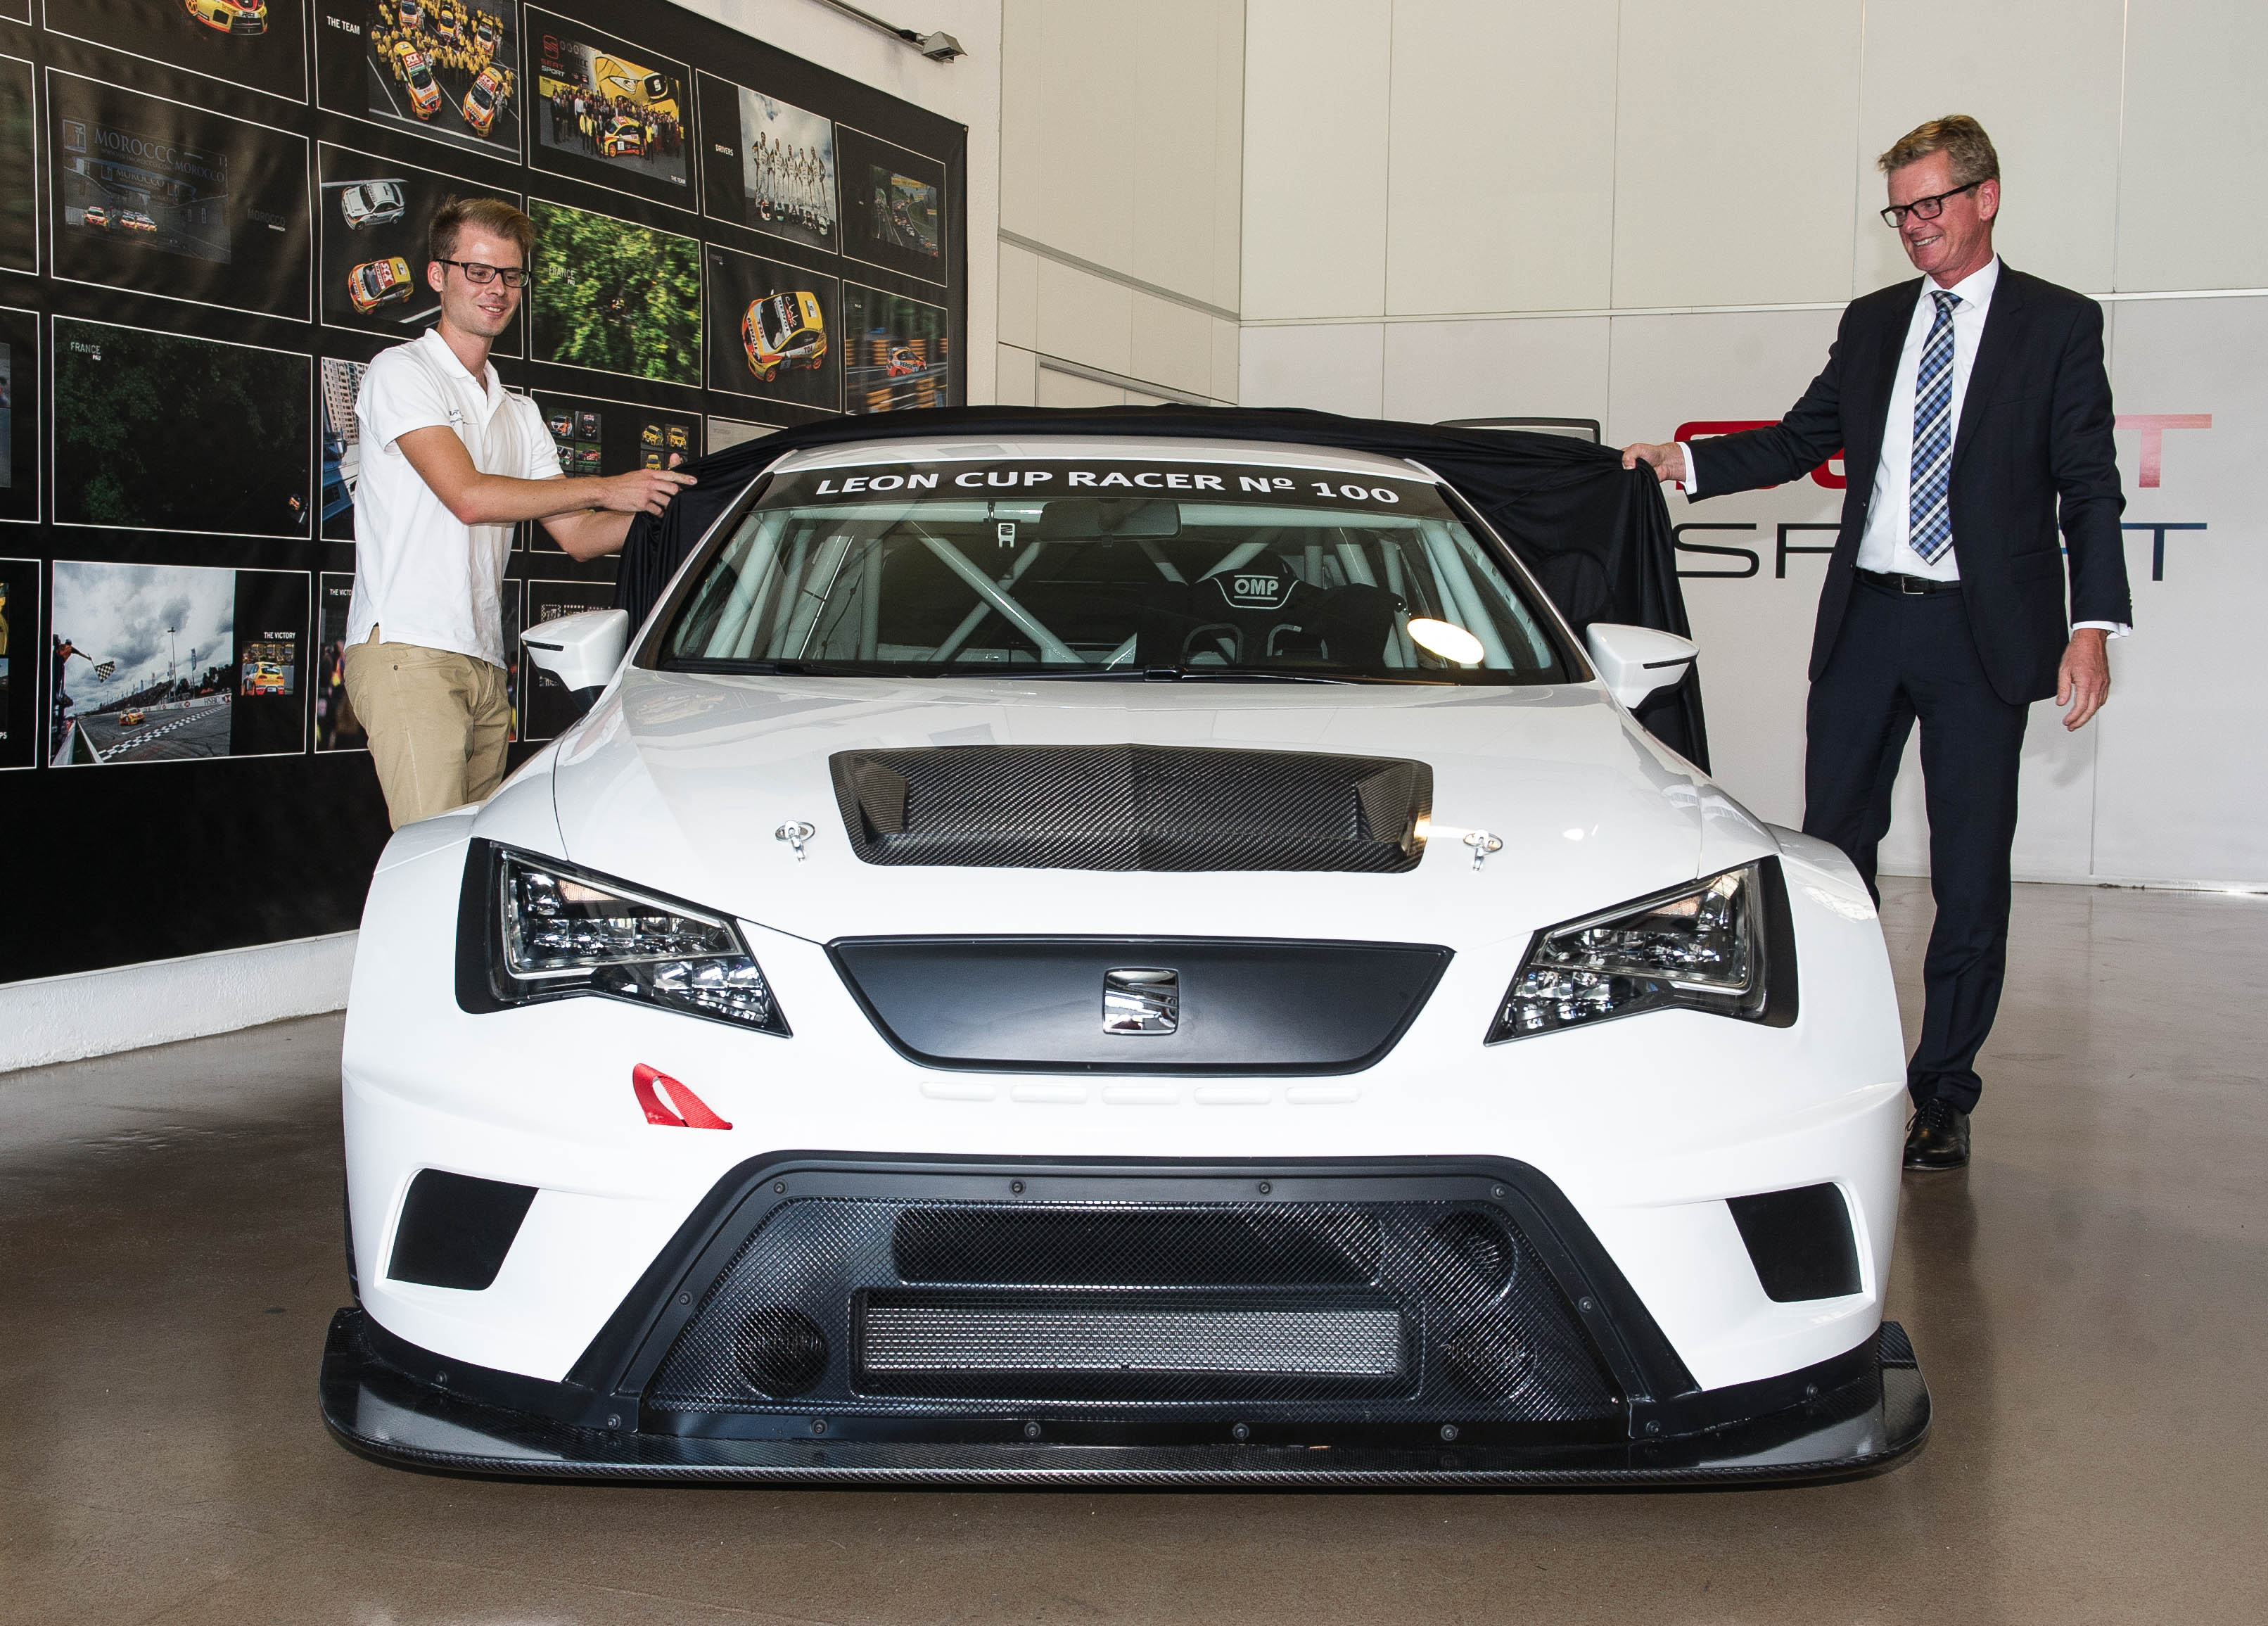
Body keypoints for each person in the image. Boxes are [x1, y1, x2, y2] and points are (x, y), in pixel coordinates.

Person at [1620, 116, 2130, 1171]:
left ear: (1986, 197)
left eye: (1930, 203)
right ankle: (1824, 1056)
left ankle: (1944, 1091)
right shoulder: (1874, 321)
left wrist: (2092, 626)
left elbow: (2088, 487)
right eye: (1898, 210)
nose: (1913, 226)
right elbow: (1802, 438)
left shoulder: (2056, 324)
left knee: (1969, 873)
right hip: (1866, 623)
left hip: (1980, 634)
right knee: (1830, 857)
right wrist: (1684, 462)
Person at [342, 196, 694, 830]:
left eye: (510, 275)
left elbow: (580, 536)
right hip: (408, 651)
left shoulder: (519, 412)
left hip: (484, 659)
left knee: (473, 854)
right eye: (478, 271)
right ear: (438, 275)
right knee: (433, 855)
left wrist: (668, 507)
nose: (497, 289)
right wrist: (609, 485)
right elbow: (469, 497)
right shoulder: (401, 371)